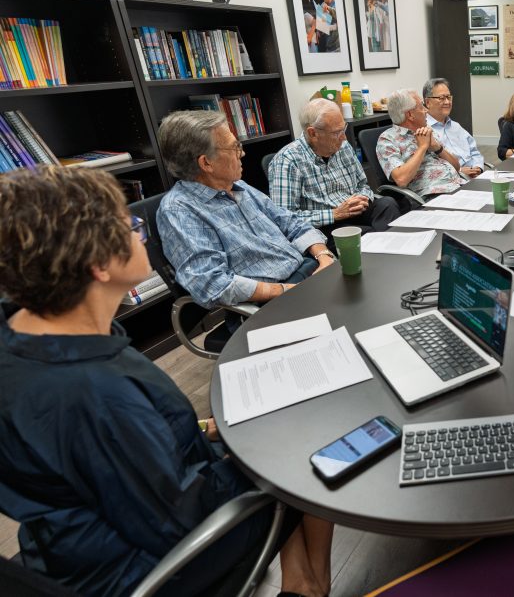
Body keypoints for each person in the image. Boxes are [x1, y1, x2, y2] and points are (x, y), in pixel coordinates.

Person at [0, 166, 334, 597]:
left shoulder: (24, 334)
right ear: (99, 264)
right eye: (131, 225)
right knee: (312, 439)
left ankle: (303, 580)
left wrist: (206, 429)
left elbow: (111, 456)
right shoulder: (94, 394)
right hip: (148, 561)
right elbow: (179, 515)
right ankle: (310, 587)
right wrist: (255, 449)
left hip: (75, 539)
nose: (142, 232)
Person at [156, 110, 334, 312]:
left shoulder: (239, 186)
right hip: (269, 302)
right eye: (234, 147)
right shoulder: (179, 211)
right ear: (206, 163)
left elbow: (291, 222)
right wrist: (286, 290)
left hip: (307, 271)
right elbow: (211, 283)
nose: (242, 153)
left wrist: (324, 256)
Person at [270, 98, 401, 239]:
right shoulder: (288, 161)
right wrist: (334, 214)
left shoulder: (343, 147)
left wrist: (362, 198)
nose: (344, 138)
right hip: (325, 224)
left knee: (387, 204)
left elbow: (362, 184)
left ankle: (393, 250)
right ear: (313, 133)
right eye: (336, 133)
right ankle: (383, 251)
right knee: (364, 235)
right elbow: (284, 219)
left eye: (343, 129)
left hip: (355, 211)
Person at [376, 88, 463, 196]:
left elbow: (457, 167)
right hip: (436, 194)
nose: (426, 111)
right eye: (421, 106)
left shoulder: (428, 130)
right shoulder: (387, 140)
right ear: (410, 115)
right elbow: (401, 179)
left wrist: (437, 148)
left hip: (460, 185)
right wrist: (422, 148)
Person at [423, 77, 485, 178]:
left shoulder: (456, 126)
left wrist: (478, 167)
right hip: (452, 180)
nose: (447, 102)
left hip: (475, 177)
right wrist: (459, 170)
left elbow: (474, 151)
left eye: (449, 97)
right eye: (442, 98)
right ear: (428, 102)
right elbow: (431, 166)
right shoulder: (425, 131)